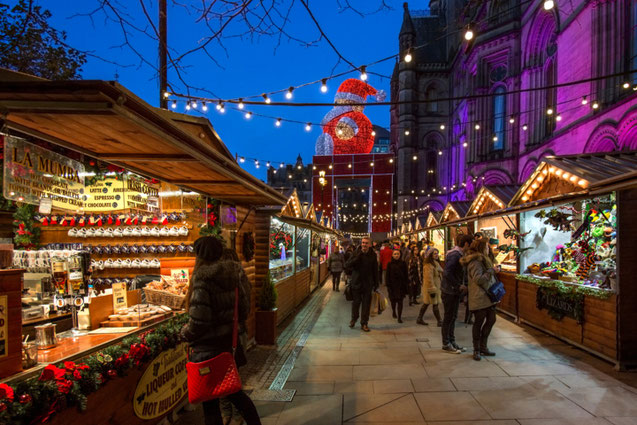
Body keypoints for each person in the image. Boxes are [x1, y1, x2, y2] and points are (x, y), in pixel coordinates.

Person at [181, 237, 262, 425]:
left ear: (199, 255)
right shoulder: (234, 276)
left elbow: (199, 321)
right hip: (228, 346)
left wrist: (184, 333)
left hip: (207, 350)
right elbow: (243, 310)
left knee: (210, 403)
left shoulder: (202, 279)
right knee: (236, 395)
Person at [461, 238, 499, 361]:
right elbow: (479, 279)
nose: (489, 249)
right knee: (479, 322)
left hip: (488, 296)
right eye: (487, 247)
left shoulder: (484, 260)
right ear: (482, 248)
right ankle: (476, 349)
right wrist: (492, 271)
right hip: (479, 296)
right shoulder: (475, 262)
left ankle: (483, 346)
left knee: (491, 319)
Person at [440, 234, 473, 354]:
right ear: (466, 244)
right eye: (471, 244)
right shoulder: (455, 255)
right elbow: (447, 273)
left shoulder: (457, 254)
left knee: (452, 317)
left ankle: (452, 342)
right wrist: (458, 285)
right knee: (449, 317)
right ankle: (446, 343)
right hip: (450, 291)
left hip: (452, 290)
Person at [345, 237, 379, 332]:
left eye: (366, 243)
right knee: (356, 303)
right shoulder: (356, 253)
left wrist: (376, 283)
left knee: (366, 304)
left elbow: (375, 269)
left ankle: (364, 323)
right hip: (356, 283)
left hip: (368, 284)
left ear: (370, 244)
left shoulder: (373, 255)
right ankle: (354, 319)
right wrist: (358, 257)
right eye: (363, 243)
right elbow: (347, 264)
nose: (364, 244)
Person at [417, 248, 443, 326]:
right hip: (431, 287)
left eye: (437, 253)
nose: (436, 255)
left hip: (436, 286)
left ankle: (419, 318)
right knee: (434, 304)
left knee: (427, 303)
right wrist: (432, 288)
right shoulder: (428, 265)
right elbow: (429, 278)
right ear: (430, 255)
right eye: (434, 253)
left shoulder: (435, 263)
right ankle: (439, 321)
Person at [385, 249, 409, 323]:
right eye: (395, 254)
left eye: (398, 254)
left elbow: (406, 274)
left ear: (400, 255)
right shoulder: (389, 264)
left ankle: (399, 317)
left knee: (400, 301)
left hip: (401, 285)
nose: (396, 255)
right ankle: (394, 311)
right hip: (392, 286)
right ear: (392, 255)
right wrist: (388, 285)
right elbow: (387, 275)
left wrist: (407, 284)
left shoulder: (403, 263)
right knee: (393, 301)